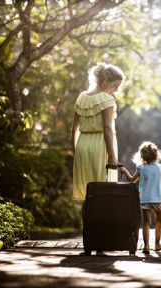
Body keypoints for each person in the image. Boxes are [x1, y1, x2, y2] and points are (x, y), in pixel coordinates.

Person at [72, 62, 125, 211]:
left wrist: (76, 151)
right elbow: (108, 128)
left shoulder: (81, 97)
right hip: (100, 148)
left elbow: (74, 129)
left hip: (82, 146)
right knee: (102, 192)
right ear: (106, 82)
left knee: (87, 195)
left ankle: (87, 231)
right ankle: (99, 231)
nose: (116, 90)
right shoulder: (107, 100)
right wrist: (112, 156)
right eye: (115, 86)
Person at [121, 141, 161, 254]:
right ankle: (157, 244)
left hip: (145, 199)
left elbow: (132, 180)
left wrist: (124, 170)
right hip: (159, 199)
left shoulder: (141, 168)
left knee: (146, 223)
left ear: (142, 156)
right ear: (156, 155)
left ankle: (146, 246)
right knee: (159, 221)